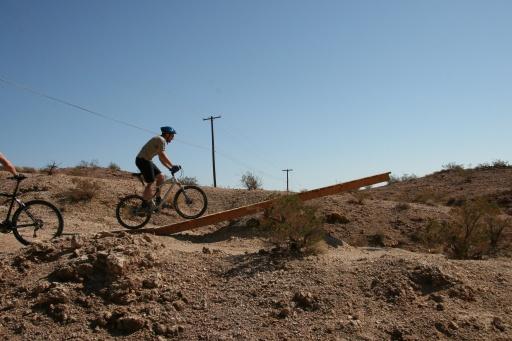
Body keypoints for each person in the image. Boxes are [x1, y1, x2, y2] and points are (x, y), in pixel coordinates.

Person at [135, 126, 180, 207]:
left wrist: (169, 168)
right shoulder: (161, 139)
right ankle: (144, 205)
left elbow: (161, 159)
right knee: (151, 182)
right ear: (167, 134)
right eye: (172, 136)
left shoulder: (161, 140)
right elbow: (162, 154)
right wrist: (172, 165)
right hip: (142, 160)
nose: (173, 138)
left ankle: (158, 200)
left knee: (161, 176)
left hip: (147, 160)